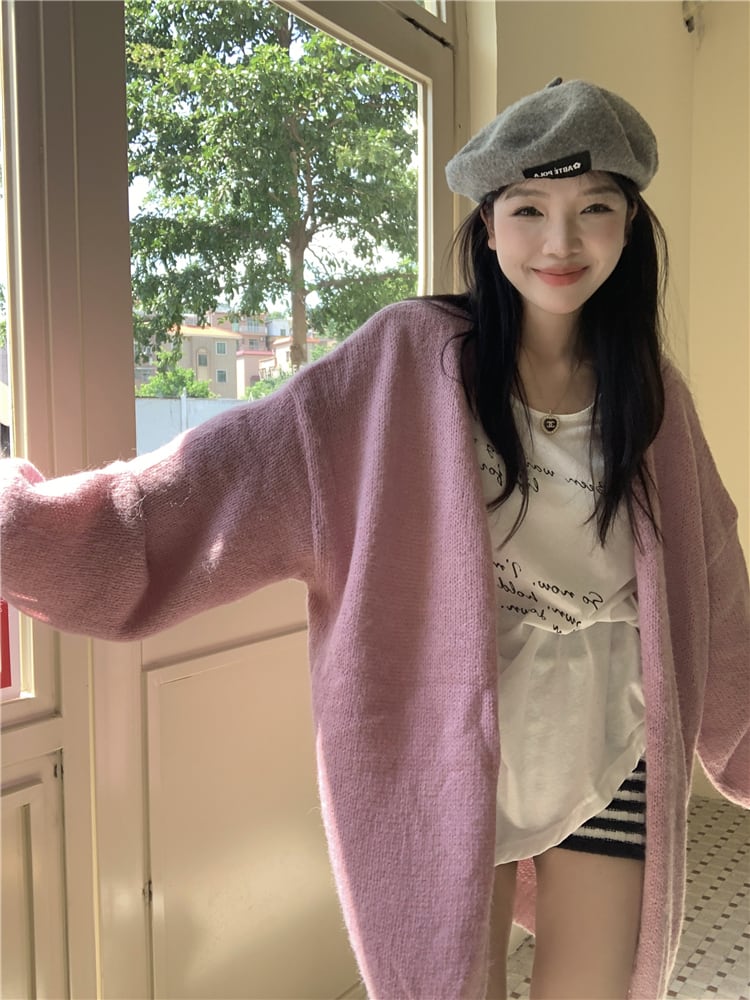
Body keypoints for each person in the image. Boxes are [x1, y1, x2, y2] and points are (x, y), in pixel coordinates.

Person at [0, 78, 748, 1000]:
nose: (561, 242)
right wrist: (26, 531)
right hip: (446, 745)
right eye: (529, 209)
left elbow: (713, 579)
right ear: (487, 226)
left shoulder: (651, 393)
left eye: (595, 208)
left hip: (612, 731)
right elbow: (223, 478)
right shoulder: (406, 361)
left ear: (629, 227)